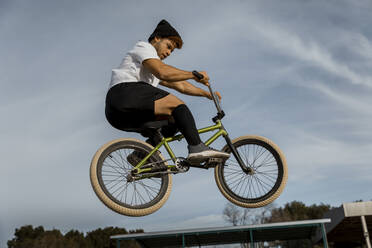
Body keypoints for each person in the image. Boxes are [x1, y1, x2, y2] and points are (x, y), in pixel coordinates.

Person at [105, 19, 229, 165]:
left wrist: (206, 94)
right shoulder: (144, 47)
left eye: (171, 50)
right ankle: (197, 147)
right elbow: (163, 72)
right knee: (177, 105)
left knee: (174, 121)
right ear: (157, 38)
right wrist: (194, 74)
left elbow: (180, 85)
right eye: (168, 46)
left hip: (118, 115)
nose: (169, 52)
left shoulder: (150, 70)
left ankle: (141, 155)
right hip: (124, 94)